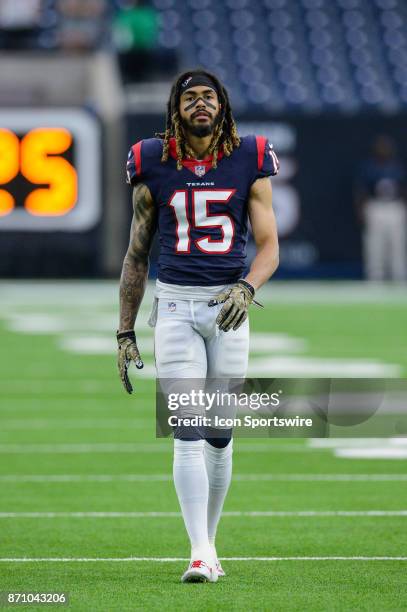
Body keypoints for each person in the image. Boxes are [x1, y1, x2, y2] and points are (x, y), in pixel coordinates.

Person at [117, 69, 279, 583]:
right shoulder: (152, 160)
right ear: (175, 109)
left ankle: (210, 545)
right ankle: (200, 552)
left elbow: (270, 246)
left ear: (222, 104)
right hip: (177, 309)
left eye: (208, 96)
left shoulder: (249, 155)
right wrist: (125, 330)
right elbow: (137, 253)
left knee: (219, 433)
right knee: (186, 432)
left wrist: (248, 287)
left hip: (229, 306)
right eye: (190, 98)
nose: (200, 104)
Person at [355, 135, 407, 281]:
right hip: (376, 207)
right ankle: (375, 277)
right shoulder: (369, 167)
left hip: (395, 207)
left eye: (386, 147)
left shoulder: (397, 167)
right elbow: (361, 192)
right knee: (374, 245)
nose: (383, 150)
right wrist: (362, 211)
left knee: (397, 244)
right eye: (381, 147)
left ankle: (399, 276)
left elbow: (404, 190)